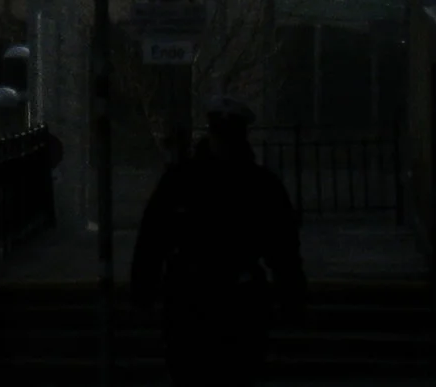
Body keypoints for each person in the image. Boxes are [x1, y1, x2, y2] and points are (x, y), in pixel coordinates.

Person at [129, 97, 306, 386]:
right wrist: (143, 291)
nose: (225, 144)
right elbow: (153, 238)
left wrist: (291, 293)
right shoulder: (184, 180)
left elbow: (283, 246)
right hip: (193, 295)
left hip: (234, 298)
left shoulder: (257, 184)